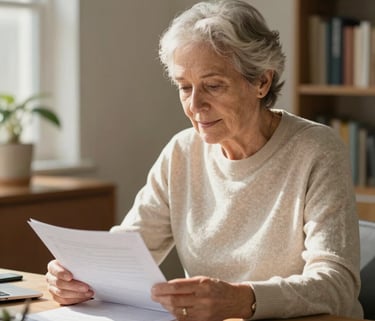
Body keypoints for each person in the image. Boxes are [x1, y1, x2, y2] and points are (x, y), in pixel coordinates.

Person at [45, 0, 363, 320]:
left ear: (261, 82)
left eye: (213, 85)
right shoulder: (182, 152)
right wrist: (77, 278)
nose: (195, 105)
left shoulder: (316, 149)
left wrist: (245, 300)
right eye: (185, 87)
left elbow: (337, 285)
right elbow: (126, 254)